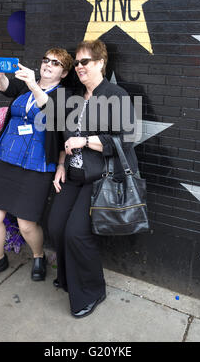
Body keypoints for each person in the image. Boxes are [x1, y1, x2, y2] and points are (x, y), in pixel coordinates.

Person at [48, 39, 138, 318]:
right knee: (55, 226)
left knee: (76, 233)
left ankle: (92, 291)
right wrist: (62, 163)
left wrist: (85, 141)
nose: (79, 67)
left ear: (100, 63)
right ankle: (67, 279)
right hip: (73, 174)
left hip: (100, 178)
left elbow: (124, 141)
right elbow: (65, 137)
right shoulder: (75, 96)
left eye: (84, 62)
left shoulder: (116, 95)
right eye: (76, 63)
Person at [0, 48, 73, 284]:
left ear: (64, 72)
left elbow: (51, 113)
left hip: (37, 165)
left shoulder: (66, 96)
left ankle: (38, 256)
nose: (48, 65)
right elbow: (7, 89)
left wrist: (33, 84)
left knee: (26, 224)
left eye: (56, 63)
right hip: (6, 158)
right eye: (46, 60)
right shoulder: (25, 85)